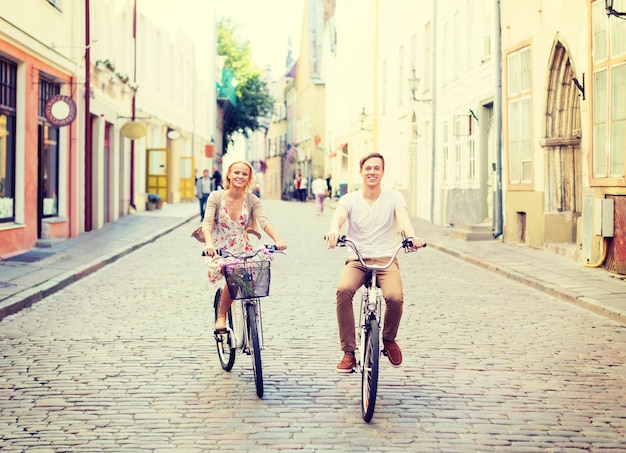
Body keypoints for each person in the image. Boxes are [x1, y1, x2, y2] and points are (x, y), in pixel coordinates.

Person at [325, 152, 426, 373]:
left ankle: (388, 339)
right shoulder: (349, 199)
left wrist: (411, 236)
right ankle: (349, 352)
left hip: (386, 259)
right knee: (343, 290)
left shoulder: (394, 198)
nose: (372, 172)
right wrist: (334, 230)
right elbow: (339, 217)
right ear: (361, 172)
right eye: (368, 168)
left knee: (395, 297)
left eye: (376, 168)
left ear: (382, 172)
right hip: (357, 259)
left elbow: (403, 220)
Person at [201, 161, 287, 329]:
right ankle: (221, 315)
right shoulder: (216, 197)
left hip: (243, 247)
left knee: (249, 277)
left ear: (249, 178)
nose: (240, 176)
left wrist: (278, 240)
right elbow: (207, 223)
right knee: (233, 275)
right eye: (236, 173)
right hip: (219, 249)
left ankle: (250, 328)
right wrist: (209, 244)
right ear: (229, 175)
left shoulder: (252, 200)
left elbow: (264, 221)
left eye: (244, 174)